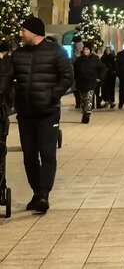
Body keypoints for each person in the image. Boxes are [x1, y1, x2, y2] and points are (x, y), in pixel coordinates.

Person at [0, 16, 74, 214]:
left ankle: (44, 194)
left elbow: (67, 77)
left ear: (34, 32)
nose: (21, 34)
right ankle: (36, 192)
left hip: (48, 113)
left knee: (47, 153)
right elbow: (6, 78)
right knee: (29, 156)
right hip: (25, 113)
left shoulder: (56, 52)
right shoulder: (18, 55)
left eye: (23, 30)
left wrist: (53, 95)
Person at [73, 44, 105, 124]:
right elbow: (75, 70)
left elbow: (102, 68)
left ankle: (88, 113)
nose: (85, 51)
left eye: (87, 49)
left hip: (91, 81)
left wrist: (99, 77)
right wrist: (74, 78)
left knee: (88, 98)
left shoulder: (95, 59)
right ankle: (84, 113)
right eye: (84, 49)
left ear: (90, 50)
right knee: (83, 100)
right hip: (81, 82)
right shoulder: (79, 60)